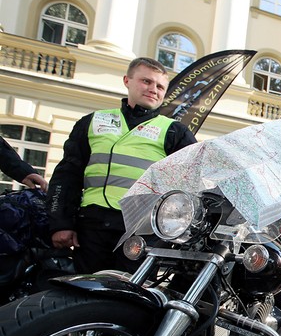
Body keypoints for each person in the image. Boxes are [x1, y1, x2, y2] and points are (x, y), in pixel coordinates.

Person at [47, 57, 196, 273]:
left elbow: (192, 184)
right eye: (146, 81)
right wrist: (60, 224)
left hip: (141, 229)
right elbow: (67, 176)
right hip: (92, 225)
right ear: (127, 80)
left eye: (160, 86)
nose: (153, 89)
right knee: (84, 295)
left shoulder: (175, 131)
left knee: (131, 300)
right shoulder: (93, 122)